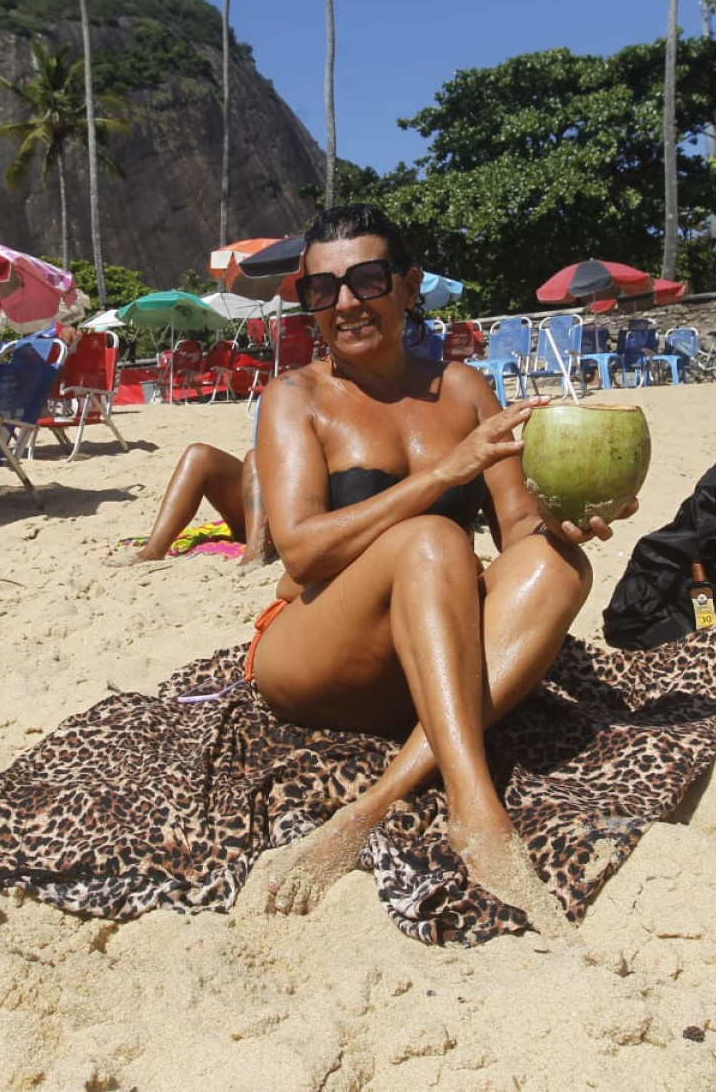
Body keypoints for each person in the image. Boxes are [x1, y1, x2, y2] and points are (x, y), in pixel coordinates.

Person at [248, 204, 638, 934]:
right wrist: (441, 476)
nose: (346, 303)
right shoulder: (295, 398)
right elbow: (300, 549)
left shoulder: (460, 389)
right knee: (432, 537)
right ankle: (478, 814)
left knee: (560, 566)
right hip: (316, 648)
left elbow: (518, 523)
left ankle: (372, 804)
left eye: (367, 279)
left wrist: (567, 519)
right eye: (321, 291)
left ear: (407, 284)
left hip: (427, 651)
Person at [105, 442, 270, 568]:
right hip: (268, 499)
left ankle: (256, 552)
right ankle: (153, 550)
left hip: (289, 509)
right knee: (199, 455)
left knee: (257, 457)